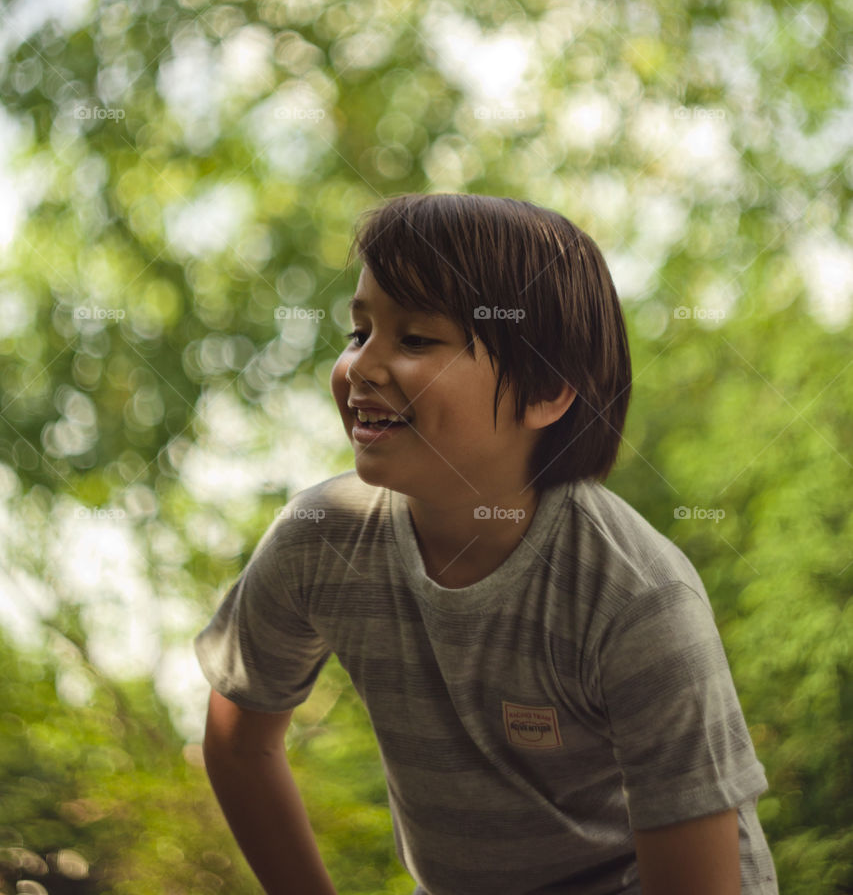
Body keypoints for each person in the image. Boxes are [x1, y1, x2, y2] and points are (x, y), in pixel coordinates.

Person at [194, 192, 779, 895]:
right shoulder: (317, 541)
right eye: (358, 333)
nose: (361, 369)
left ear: (546, 390)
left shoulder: (636, 598)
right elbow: (239, 743)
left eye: (415, 340)